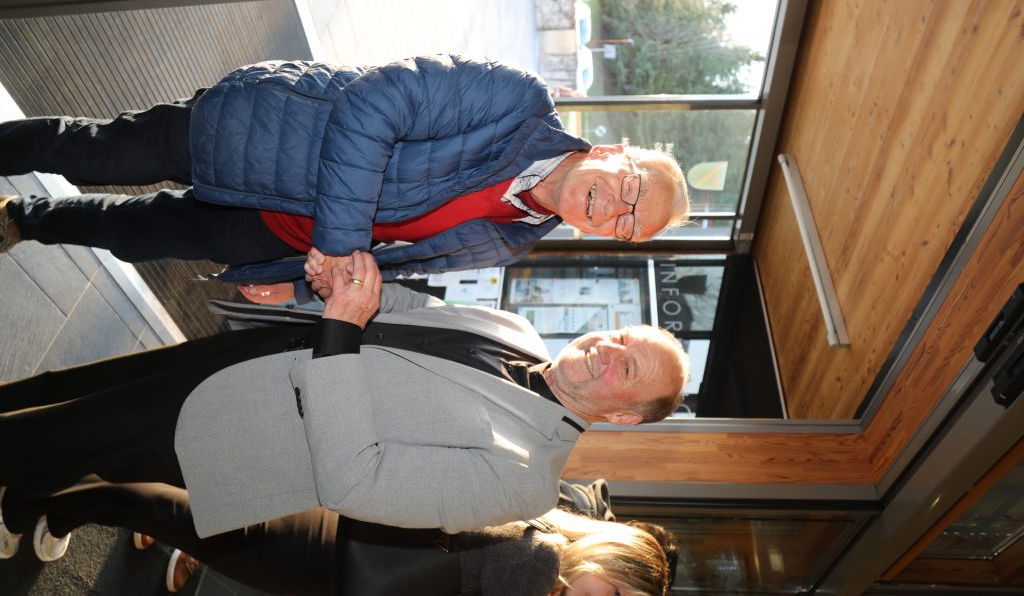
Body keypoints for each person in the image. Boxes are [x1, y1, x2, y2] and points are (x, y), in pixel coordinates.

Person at [0, 252, 689, 540]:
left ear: (623, 415)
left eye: (626, 366)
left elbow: (357, 481)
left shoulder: (528, 482)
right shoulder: (519, 330)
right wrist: (330, 286)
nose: (607, 347)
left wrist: (338, 332)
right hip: (240, 358)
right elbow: (408, 309)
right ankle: (25, 490)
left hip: (239, 427)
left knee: (60, 433)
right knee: (70, 392)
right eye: (620, 334)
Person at [0, 54, 690, 287]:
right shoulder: (518, 101)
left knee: (135, 235)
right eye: (632, 189)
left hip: (276, 235)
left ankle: (22, 221)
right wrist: (337, 240)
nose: (613, 209)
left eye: (628, 225)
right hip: (263, 136)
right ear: (611, 151)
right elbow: (376, 102)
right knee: (93, 152)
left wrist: (293, 281)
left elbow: (393, 260)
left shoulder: (514, 240)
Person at [0, 477, 671, 595]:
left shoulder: (545, 530)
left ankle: (56, 504)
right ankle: (41, 502)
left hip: (347, 542)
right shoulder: (541, 564)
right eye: (616, 594)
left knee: (192, 517)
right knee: (184, 518)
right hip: (340, 564)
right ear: (610, 558)